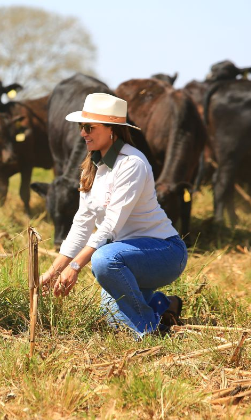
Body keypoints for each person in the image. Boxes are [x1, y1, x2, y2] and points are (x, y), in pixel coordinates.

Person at [39, 93, 188, 339]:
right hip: (126, 255)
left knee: (103, 259)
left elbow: (110, 227)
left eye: (89, 127)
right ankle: (164, 306)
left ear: (113, 130)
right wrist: (54, 271)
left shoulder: (132, 163)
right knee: (111, 315)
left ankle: (148, 332)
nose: (82, 133)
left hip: (163, 253)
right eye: (81, 127)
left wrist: (76, 266)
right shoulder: (93, 166)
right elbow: (81, 224)